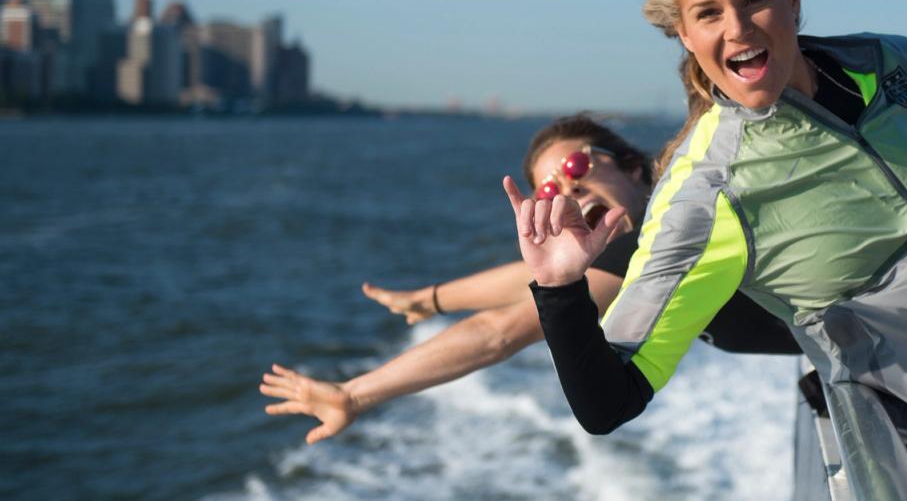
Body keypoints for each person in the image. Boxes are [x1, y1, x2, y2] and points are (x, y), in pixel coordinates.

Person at [504, 0, 907, 501]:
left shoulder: (899, 64)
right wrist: (559, 290)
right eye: (709, 14)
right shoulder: (708, 192)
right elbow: (606, 403)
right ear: (686, 36)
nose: (738, 29)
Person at [260, 115, 800, 443]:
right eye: (548, 192)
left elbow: (501, 331)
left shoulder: (659, 239)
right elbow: (536, 276)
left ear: (631, 167)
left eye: (574, 170)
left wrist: (354, 394)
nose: (566, 194)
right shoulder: (639, 240)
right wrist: (432, 299)